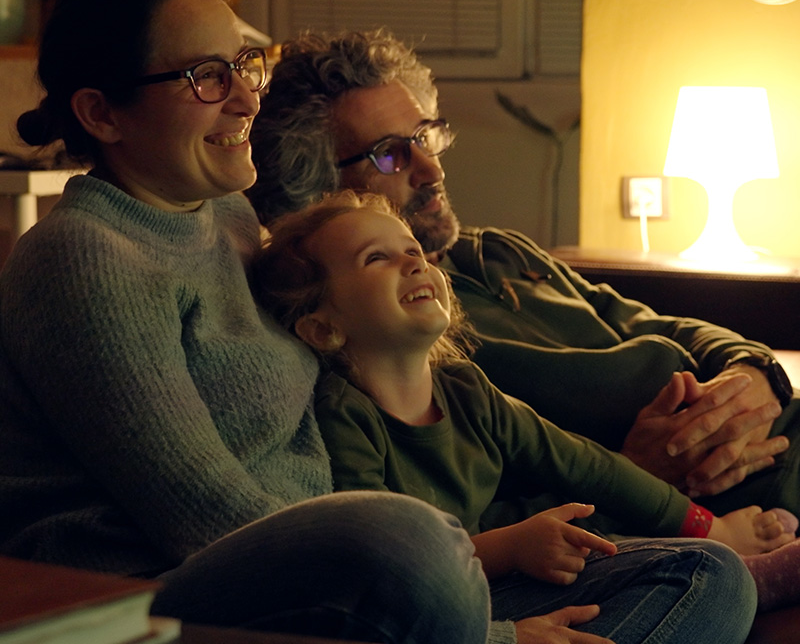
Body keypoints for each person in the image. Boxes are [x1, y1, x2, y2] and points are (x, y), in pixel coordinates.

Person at [0, 0, 503, 644]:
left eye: (244, 63)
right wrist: (496, 622)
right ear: (102, 114)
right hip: (142, 596)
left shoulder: (227, 213)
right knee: (412, 543)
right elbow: (198, 512)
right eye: (205, 77)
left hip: (318, 565)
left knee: (692, 573)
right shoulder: (85, 257)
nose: (246, 97)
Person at [246, 28, 800, 523]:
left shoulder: (498, 251)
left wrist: (754, 374)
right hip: (722, 495)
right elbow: (474, 507)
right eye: (389, 155)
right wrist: (638, 472)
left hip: (766, 426)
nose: (432, 168)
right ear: (323, 194)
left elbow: (668, 326)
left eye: (425, 137)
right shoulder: (410, 329)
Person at [253, 188, 800, 614]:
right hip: (461, 595)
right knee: (691, 577)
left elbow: (587, 464)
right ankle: (731, 580)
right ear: (322, 328)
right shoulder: (344, 415)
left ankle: (724, 567)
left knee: (653, 547)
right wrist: (509, 549)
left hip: (514, 556)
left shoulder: (467, 387)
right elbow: (389, 557)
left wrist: (709, 525)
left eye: (413, 252)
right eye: (378, 259)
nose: (415, 264)